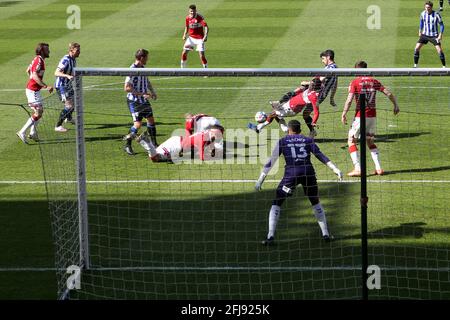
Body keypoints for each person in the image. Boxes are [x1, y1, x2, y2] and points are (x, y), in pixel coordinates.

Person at [254, 120, 343, 245]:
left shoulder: (283, 141)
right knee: (315, 201)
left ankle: (270, 237)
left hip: (291, 174)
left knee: (277, 202)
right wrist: (335, 169)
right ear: (300, 130)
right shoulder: (307, 140)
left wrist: (260, 179)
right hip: (308, 172)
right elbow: (320, 155)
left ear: (288, 130)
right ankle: (326, 234)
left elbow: (272, 161)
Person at [341, 61, 400, 177]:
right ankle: (378, 168)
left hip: (360, 116)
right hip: (372, 116)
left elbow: (349, 100)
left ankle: (358, 168)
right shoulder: (374, 81)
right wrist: (395, 105)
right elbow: (388, 93)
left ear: (356, 70)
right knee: (370, 141)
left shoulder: (355, 82)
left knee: (351, 140)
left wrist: (344, 113)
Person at [248, 78, 322, 137]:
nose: (309, 85)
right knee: (276, 115)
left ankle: (259, 128)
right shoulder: (310, 88)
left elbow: (316, 111)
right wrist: (306, 84)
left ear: (314, 87)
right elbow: (304, 83)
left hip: (291, 109)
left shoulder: (314, 96)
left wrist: (314, 122)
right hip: (289, 104)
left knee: (273, 114)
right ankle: (286, 131)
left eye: (311, 84)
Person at [17, 43, 54, 144]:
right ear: (42, 51)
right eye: (47, 50)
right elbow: (33, 74)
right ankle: (22, 132)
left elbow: (28, 70)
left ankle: (33, 133)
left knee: (40, 111)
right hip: (32, 91)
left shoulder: (37, 59)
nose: (49, 51)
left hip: (35, 90)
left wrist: (34, 80)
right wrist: (45, 86)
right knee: (38, 112)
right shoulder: (39, 61)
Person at [123, 49, 158, 156]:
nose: (148, 59)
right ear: (142, 58)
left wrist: (152, 91)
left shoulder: (143, 68)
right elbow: (126, 88)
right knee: (137, 125)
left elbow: (146, 80)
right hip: (134, 102)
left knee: (151, 121)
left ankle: (154, 144)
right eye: (146, 57)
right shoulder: (132, 69)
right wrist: (142, 94)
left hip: (144, 101)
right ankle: (127, 145)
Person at [138, 127, 223, 162]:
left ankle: (146, 141)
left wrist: (214, 151)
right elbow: (202, 158)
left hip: (176, 140)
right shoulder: (202, 139)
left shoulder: (207, 133)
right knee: (155, 158)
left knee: (156, 154)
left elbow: (210, 144)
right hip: (176, 146)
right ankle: (144, 141)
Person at [54, 42, 81, 132]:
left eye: (79, 50)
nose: (79, 52)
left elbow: (72, 72)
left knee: (75, 102)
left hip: (68, 85)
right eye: (77, 50)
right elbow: (56, 73)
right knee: (69, 106)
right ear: (71, 51)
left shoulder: (73, 60)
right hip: (62, 86)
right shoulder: (66, 60)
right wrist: (67, 76)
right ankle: (58, 126)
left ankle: (69, 118)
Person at [414, 1, 446, 68]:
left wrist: (440, 34)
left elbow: (442, 25)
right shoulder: (422, 13)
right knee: (416, 48)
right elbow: (421, 23)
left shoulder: (437, 14)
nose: (426, 9)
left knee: (439, 50)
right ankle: (415, 65)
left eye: (428, 7)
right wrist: (420, 31)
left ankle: (444, 66)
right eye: (425, 7)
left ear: (431, 7)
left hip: (434, 36)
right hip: (424, 35)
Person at [181, 4, 209, 68]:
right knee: (184, 53)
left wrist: (205, 36)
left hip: (200, 39)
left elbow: (206, 27)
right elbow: (187, 26)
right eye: (191, 11)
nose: (192, 12)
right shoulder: (187, 18)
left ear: (196, 10)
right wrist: (184, 34)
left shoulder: (200, 17)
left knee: (201, 55)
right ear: (189, 11)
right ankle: (182, 70)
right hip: (191, 38)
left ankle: (206, 71)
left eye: (193, 11)